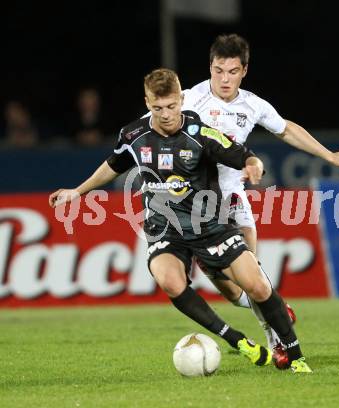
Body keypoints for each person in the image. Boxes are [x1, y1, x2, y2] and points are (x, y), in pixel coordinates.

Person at [49, 68, 312, 373]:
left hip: (208, 225)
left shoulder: (199, 133)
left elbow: (244, 155)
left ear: (181, 99)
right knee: (170, 281)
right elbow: (113, 164)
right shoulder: (133, 135)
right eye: (157, 108)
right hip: (165, 228)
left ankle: (296, 355)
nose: (165, 114)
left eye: (172, 106)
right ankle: (237, 340)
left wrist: (254, 166)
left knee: (257, 287)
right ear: (147, 102)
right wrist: (78, 191)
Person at [179, 34, 339, 358]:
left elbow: (286, 129)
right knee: (233, 294)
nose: (224, 79)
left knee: (254, 277)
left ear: (244, 70)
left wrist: (329, 155)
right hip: (195, 205)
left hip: (232, 196)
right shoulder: (190, 100)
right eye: (218, 70)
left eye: (232, 71)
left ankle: (277, 342)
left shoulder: (253, 105)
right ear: (210, 67)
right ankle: (276, 306)